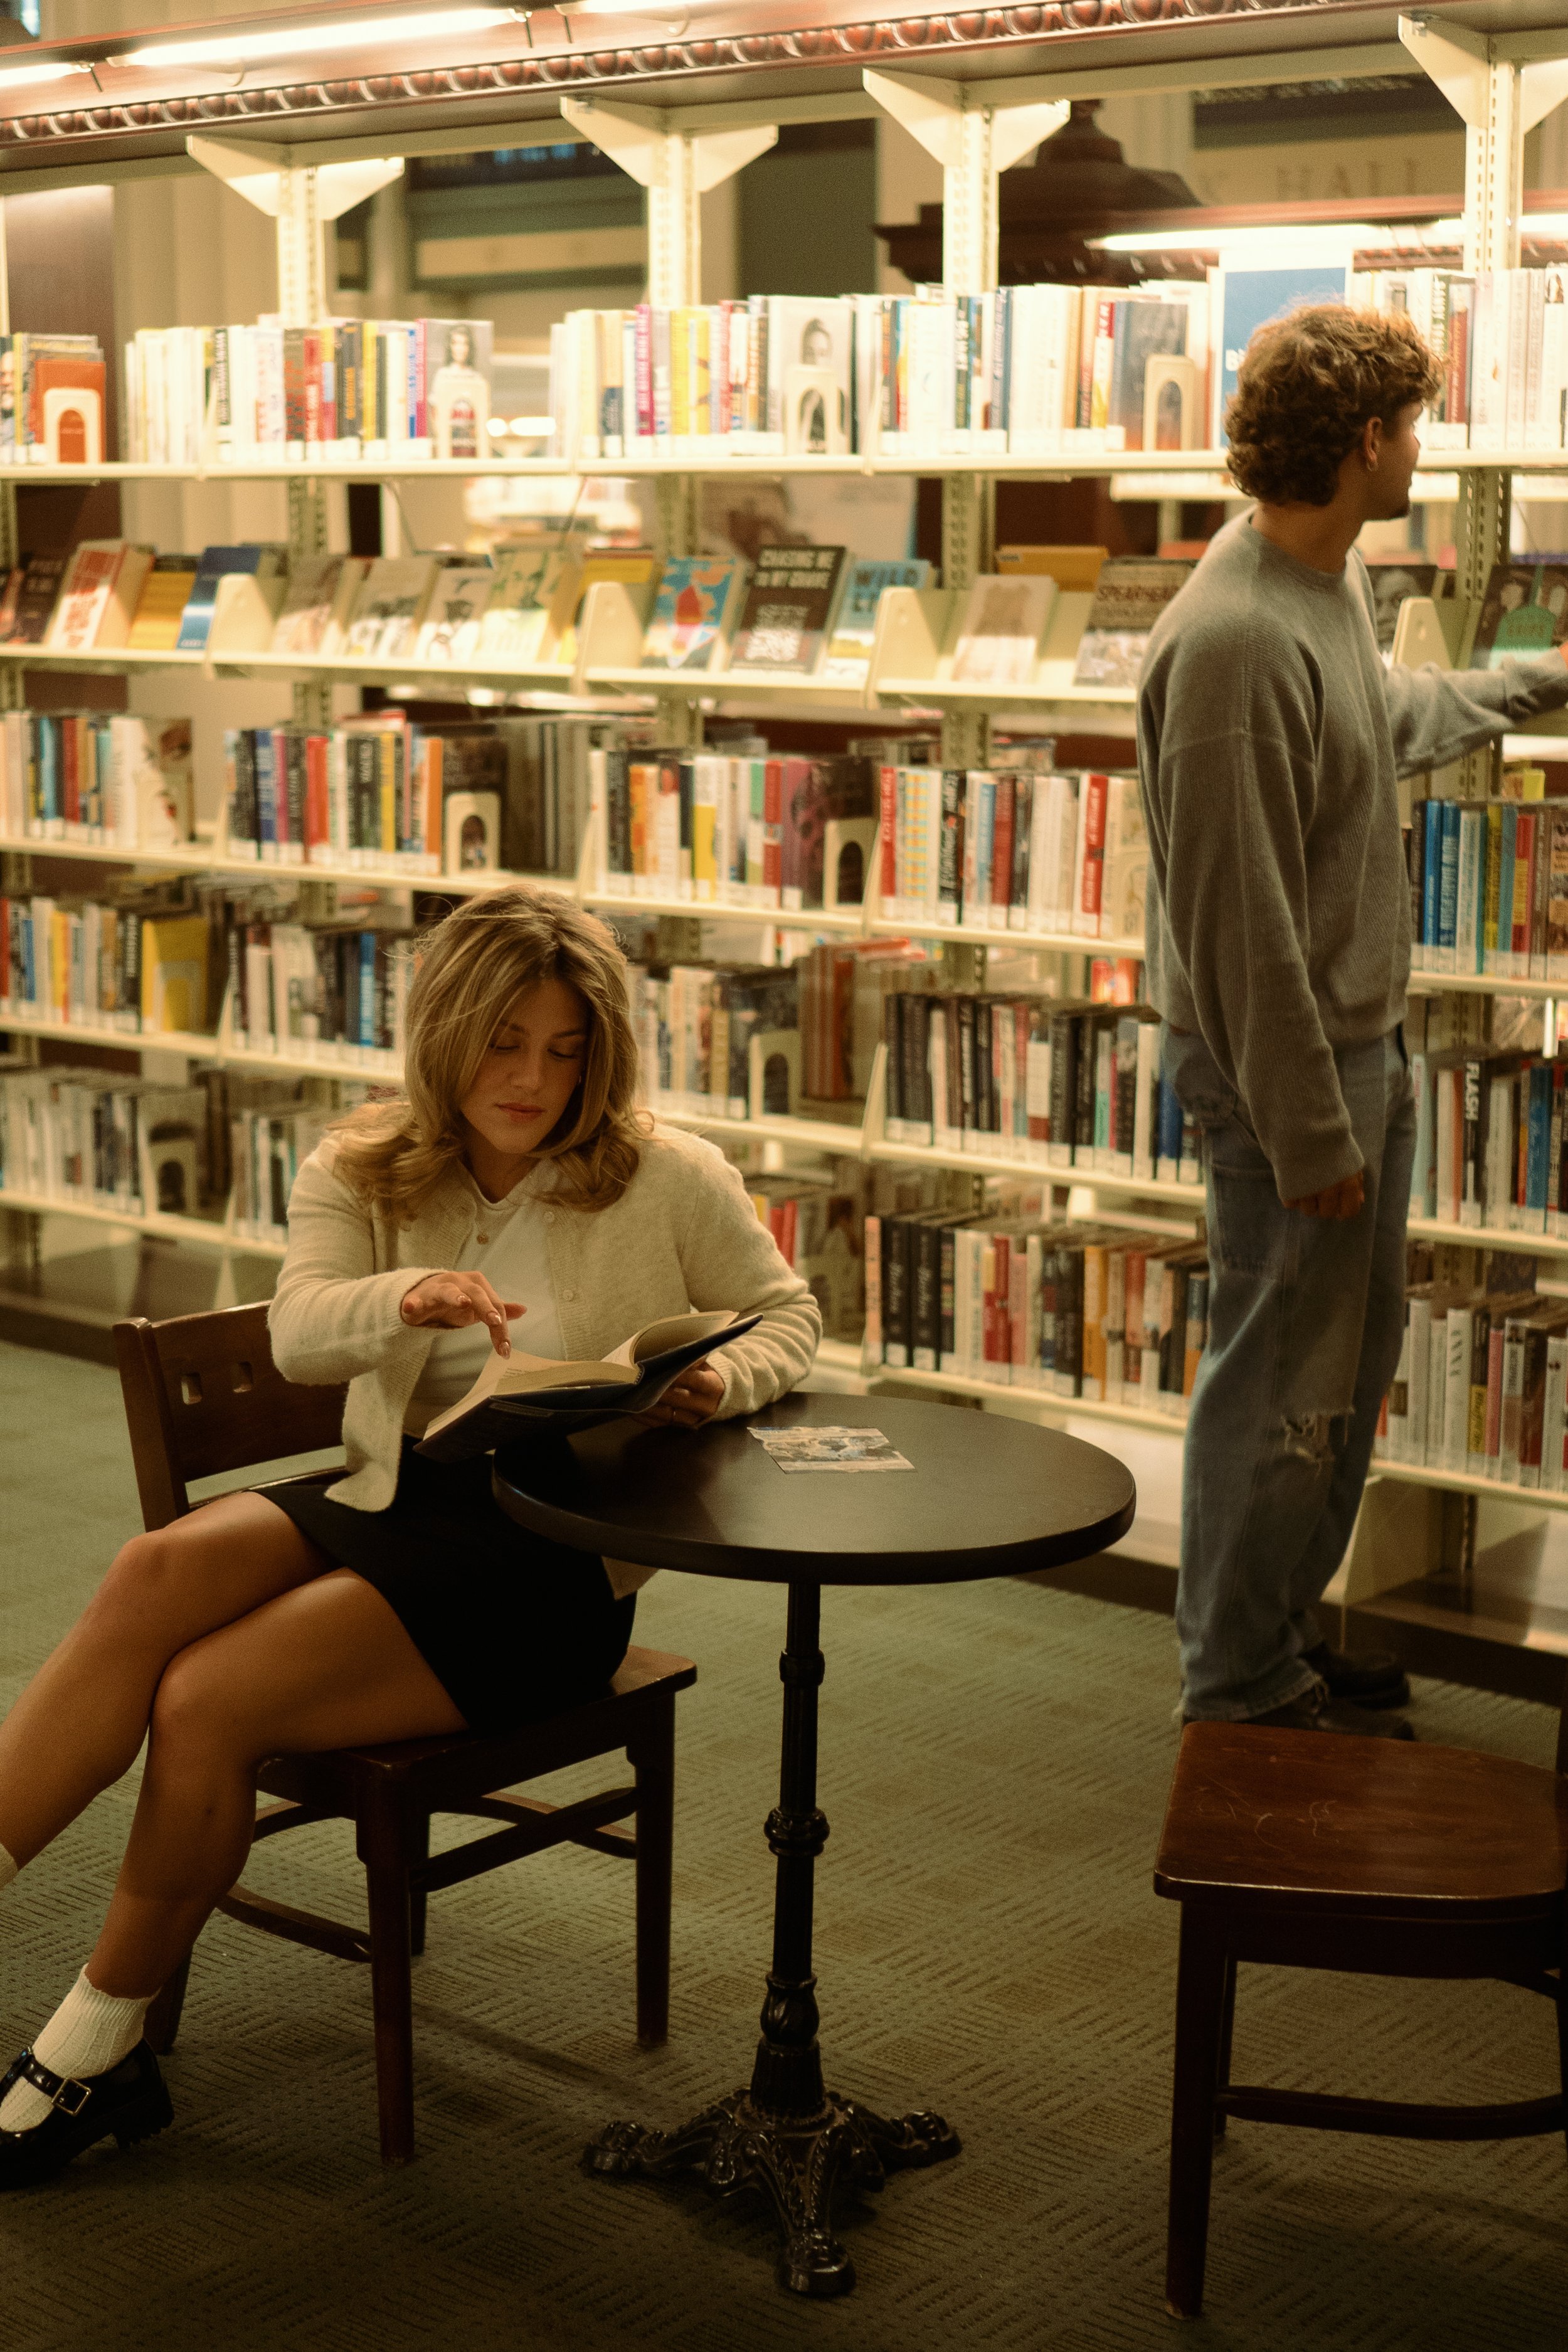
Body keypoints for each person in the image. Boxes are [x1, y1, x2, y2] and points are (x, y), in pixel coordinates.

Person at [0, 889, 820, 2185]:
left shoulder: (667, 1175)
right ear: (444, 1036)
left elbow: (786, 1315)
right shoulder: (366, 1162)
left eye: (564, 1051)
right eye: (503, 1044)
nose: (533, 1081)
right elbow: (299, 1329)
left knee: (207, 1696)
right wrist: (410, 1296)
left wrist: (725, 1383)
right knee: (153, 1569)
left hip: (551, 1558)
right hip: (402, 1493)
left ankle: (96, 2052)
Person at [1137, 304, 1568, 1739]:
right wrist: (1308, 1122)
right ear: (1365, 440)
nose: (1424, 452)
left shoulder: (1316, 585)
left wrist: (1539, 681)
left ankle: (1272, 1639)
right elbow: (1235, 926)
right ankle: (1233, 1687)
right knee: (1273, 1384)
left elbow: (1383, 715)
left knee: (1337, 1375)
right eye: (1415, 428)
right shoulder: (1230, 639)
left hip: (1351, 1054)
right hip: (1291, 1074)